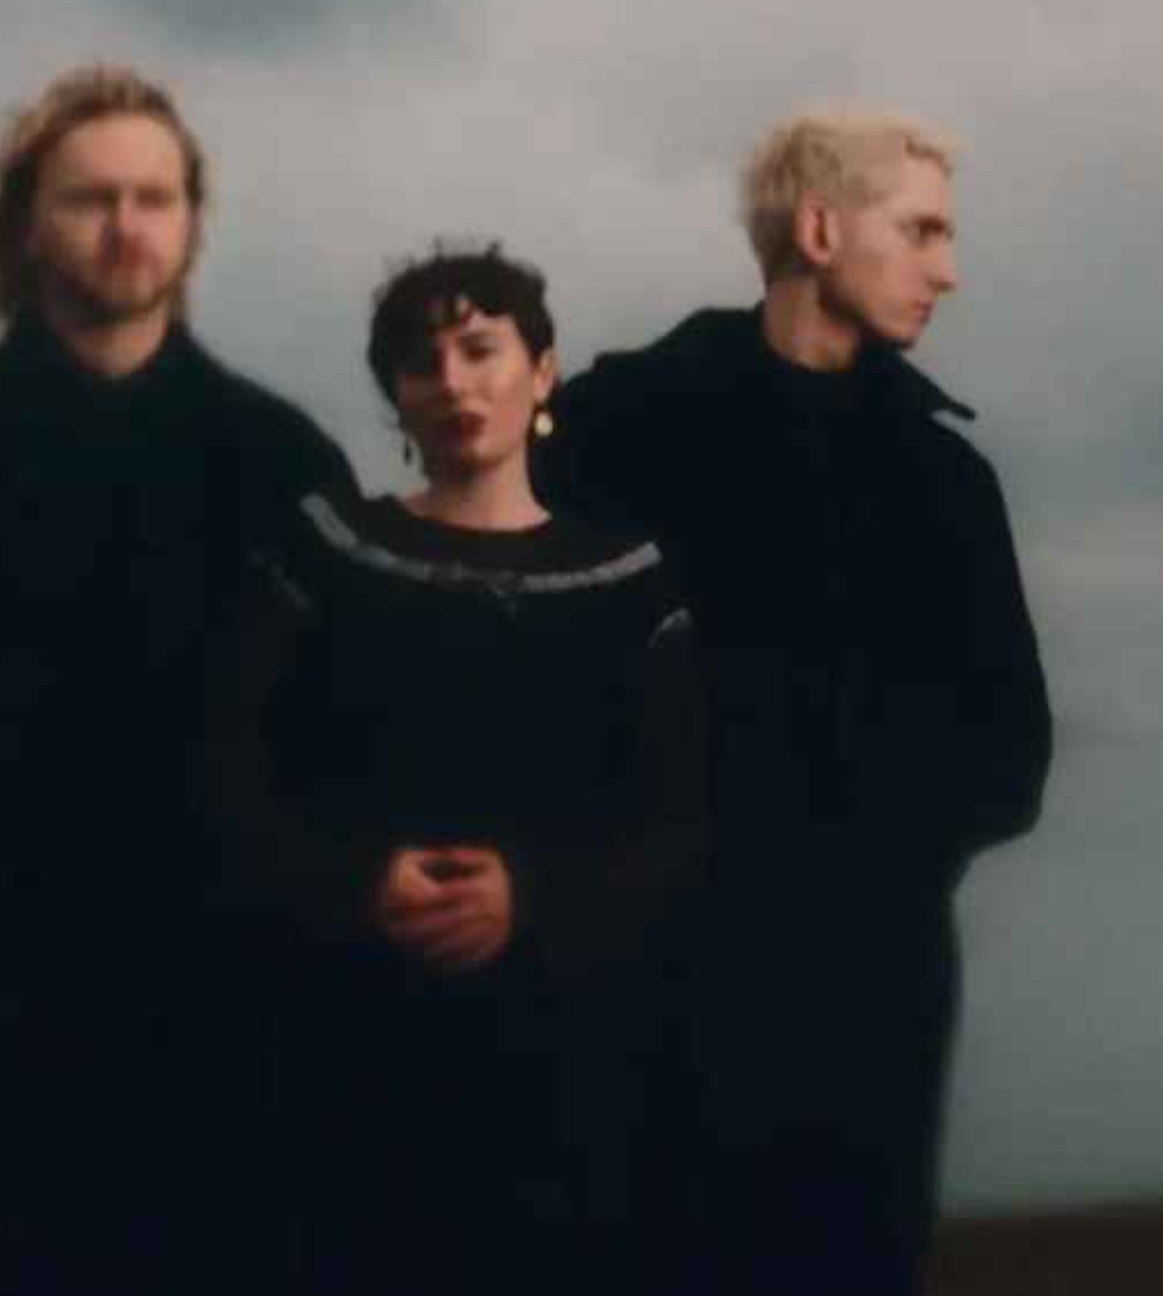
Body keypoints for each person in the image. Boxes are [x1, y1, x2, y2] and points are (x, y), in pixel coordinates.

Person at [0, 64, 353, 1295]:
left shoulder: (281, 459)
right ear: (27, 223)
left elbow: (338, 739)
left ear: (192, 223)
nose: (126, 226)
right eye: (91, 198)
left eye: (153, 198)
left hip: (237, 991)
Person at [538, 111, 1053, 1295]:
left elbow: (1008, 755)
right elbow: (528, 680)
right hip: (645, 999)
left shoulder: (944, 479)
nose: (947, 269)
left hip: (865, 1007)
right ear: (818, 230)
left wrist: (855, 858)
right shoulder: (614, 430)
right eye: (919, 231)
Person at [199, 245, 711, 1296]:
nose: (453, 382)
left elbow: (679, 813)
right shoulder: (326, 549)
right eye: (421, 360)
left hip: (569, 1055)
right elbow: (231, 769)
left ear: (542, 370)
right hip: (346, 1038)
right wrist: (357, 879)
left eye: (480, 349)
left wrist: (533, 893)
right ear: (394, 392)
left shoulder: (630, 579)